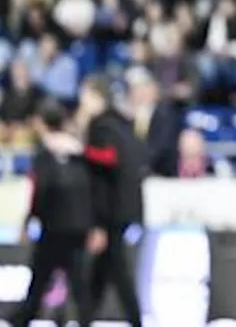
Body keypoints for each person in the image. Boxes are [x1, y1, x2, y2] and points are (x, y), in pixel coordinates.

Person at [8, 101, 98, 327]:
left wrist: (29, 220)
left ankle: (20, 321)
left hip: (54, 227)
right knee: (79, 287)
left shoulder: (45, 153)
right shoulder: (79, 150)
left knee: (38, 284)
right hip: (78, 227)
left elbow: (41, 190)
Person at [78, 76, 145, 327]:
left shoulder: (100, 126)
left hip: (111, 211)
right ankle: (85, 319)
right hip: (126, 207)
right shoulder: (123, 124)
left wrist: (80, 152)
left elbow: (106, 162)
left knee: (117, 272)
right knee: (102, 273)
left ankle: (136, 321)